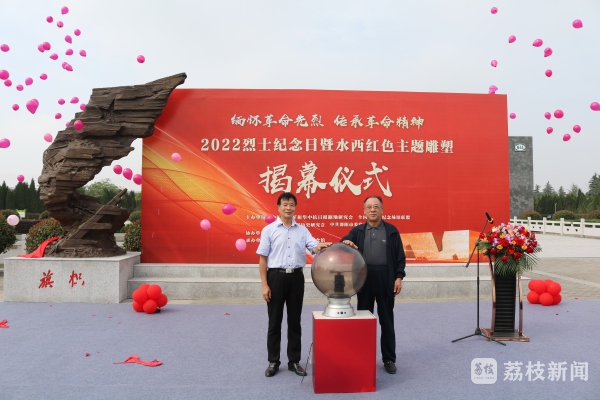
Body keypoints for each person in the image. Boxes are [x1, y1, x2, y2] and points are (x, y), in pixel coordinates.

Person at [257, 192, 332, 377]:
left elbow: (313, 246)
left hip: (296, 278)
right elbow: (263, 259)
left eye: (291, 204)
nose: (288, 208)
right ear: (278, 207)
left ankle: (294, 361)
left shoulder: (302, 230)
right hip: (276, 277)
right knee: (274, 321)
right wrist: (265, 285)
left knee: (294, 321)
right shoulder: (269, 230)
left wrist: (320, 246)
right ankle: (273, 361)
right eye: (285, 204)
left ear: (295, 208)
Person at [341, 195, 406, 374]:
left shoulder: (391, 231)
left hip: (386, 279)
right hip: (364, 279)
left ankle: (389, 359)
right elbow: (344, 241)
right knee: (363, 320)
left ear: (382, 210)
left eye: (376, 206)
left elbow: (400, 257)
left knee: (387, 321)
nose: (372, 209)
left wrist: (398, 277)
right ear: (364, 211)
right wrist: (347, 242)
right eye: (369, 207)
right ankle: (363, 356)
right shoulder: (358, 231)